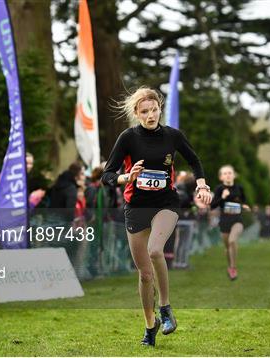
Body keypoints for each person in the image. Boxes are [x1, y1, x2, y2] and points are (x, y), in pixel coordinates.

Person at [102, 87, 212, 346]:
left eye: (154, 110)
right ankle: (150, 326)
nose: (150, 115)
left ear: (159, 108)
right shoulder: (127, 138)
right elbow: (107, 175)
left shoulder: (173, 136)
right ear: (136, 114)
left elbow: (195, 161)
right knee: (144, 274)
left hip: (166, 203)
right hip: (136, 205)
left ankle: (165, 308)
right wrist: (127, 177)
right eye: (144, 112)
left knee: (155, 251)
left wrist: (203, 185)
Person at [210, 165, 249, 280]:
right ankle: (230, 266)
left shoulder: (239, 188)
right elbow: (213, 206)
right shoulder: (219, 189)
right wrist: (222, 197)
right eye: (225, 173)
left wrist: (245, 206)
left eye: (230, 173)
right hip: (224, 221)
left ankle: (233, 267)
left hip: (237, 220)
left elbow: (243, 202)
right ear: (221, 177)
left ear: (234, 175)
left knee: (232, 241)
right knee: (227, 247)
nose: (228, 175)